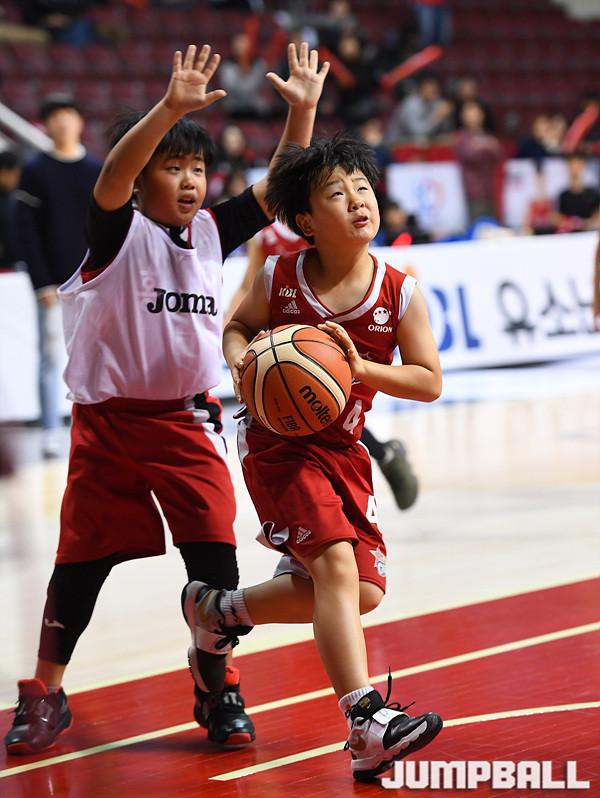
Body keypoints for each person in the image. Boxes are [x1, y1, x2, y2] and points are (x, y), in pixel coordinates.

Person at [4, 41, 329, 756]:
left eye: (197, 169)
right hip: (107, 426)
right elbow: (111, 175)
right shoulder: (114, 230)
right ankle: (46, 690)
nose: (189, 181)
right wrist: (169, 109)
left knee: (216, 565)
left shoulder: (210, 232)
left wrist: (301, 113)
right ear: (141, 176)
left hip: (186, 421)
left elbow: (279, 189)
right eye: (172, 167)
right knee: (80, 564)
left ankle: (216, 682)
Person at [184, 133, 443, 782]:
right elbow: (236, 328)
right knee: (334, 566)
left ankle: (219, 611)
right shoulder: (280, 276)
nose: (357, 199)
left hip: (343, 449)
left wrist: (361, 369)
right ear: (305, 219)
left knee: (361, 592)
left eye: (363, 187)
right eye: (337, 192)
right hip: (278, 445)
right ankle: (365, 721)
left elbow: (428, 380)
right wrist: (245, 359)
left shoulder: (399, 291)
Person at [226, 218, 419, 509]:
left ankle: (383, 454)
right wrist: (232, 324)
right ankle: (382, 454)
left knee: (333, 408)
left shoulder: (328, 226)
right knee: (306, 405)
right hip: (290, 345)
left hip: (333, 338)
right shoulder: (266, 237)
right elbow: (247, 284)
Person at [16, 93, 102, 458]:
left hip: (94, 282)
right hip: (53, 284)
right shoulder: (34, 171)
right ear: (45, 125)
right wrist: (41, 283)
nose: (62, 122)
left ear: (80, 121)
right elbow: (26, 232)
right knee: (51, 357)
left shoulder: (97, 169)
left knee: (97, 356)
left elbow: (108, 228)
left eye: (68, 114)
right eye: (54, 116)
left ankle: (97, 426)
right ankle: (51, 429)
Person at [453, 98, 503, 225]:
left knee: (492, 228)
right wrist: (487, 146)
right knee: (477, 228)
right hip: (473, 193)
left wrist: (481, 146)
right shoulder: (461, 138)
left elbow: (498, 153)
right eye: (469, 114)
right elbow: (472, 154)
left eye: (476, 113)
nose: (473, 117)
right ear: (462, 116)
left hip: (490, 190)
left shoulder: (488, 135)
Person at [555, 152, 600, 233]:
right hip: (569, 235)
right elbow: (557, 218)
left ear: (583, 166)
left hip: (589, 234)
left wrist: (586, 223)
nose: (575, 168)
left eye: (578, 164)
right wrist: (569, 223)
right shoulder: (563, 195)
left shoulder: (592, 194)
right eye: (572, 165)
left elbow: (597, 216)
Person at [0, 148, 22, 272]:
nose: (16, 179)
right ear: (3, 172)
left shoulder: (12, 197)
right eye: (14, 174)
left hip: (12, 265)